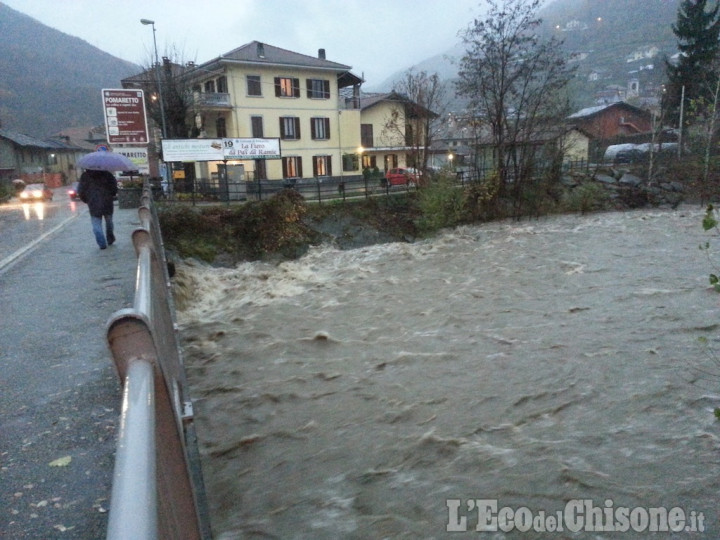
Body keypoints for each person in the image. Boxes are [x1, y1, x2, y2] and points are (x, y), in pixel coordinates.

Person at [78, 169, 118, 249]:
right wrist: (111, 194)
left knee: (96, 224)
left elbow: (81, 191)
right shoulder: (107, 174)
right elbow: (114, 188)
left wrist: (87, 200)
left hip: (93, 203)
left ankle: (102, 244)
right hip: (107, 202)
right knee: (109, 222)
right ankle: (110, 239)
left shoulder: (85, 176)